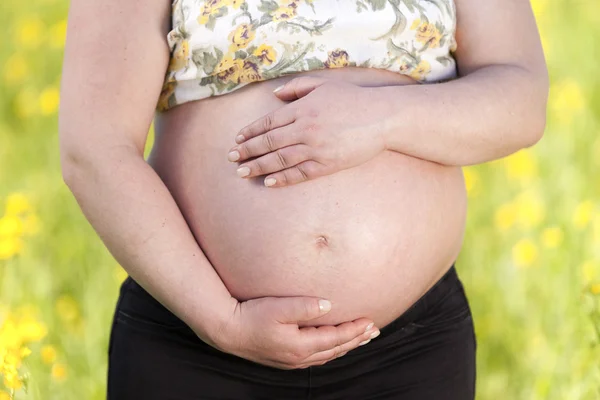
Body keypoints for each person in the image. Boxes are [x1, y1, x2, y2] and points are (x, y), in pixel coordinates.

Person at [58, 0, 548, 398]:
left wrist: (382, 119)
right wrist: (221, 321)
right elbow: (94, 148)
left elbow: (521, 99)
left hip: (407, 352)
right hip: (195, 343)